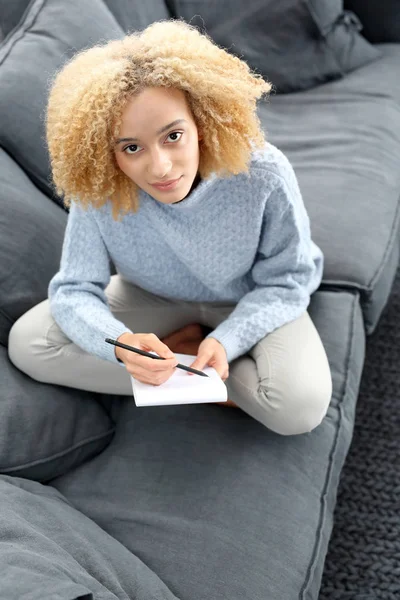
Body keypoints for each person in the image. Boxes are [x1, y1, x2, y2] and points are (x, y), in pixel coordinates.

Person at [8, 19, 332, 435]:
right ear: (110, 154)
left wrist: (228, 341)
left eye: (173, 136)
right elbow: (74, 290)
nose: (159, 167)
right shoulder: (102, 186)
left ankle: (190, 361)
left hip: (249, 296)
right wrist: (120, 345)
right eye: (131, 147)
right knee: (30, 344)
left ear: (201, 122)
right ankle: (192, 370)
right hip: (150, 296)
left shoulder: (262, 174)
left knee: (300, 410)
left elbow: (288, 279)